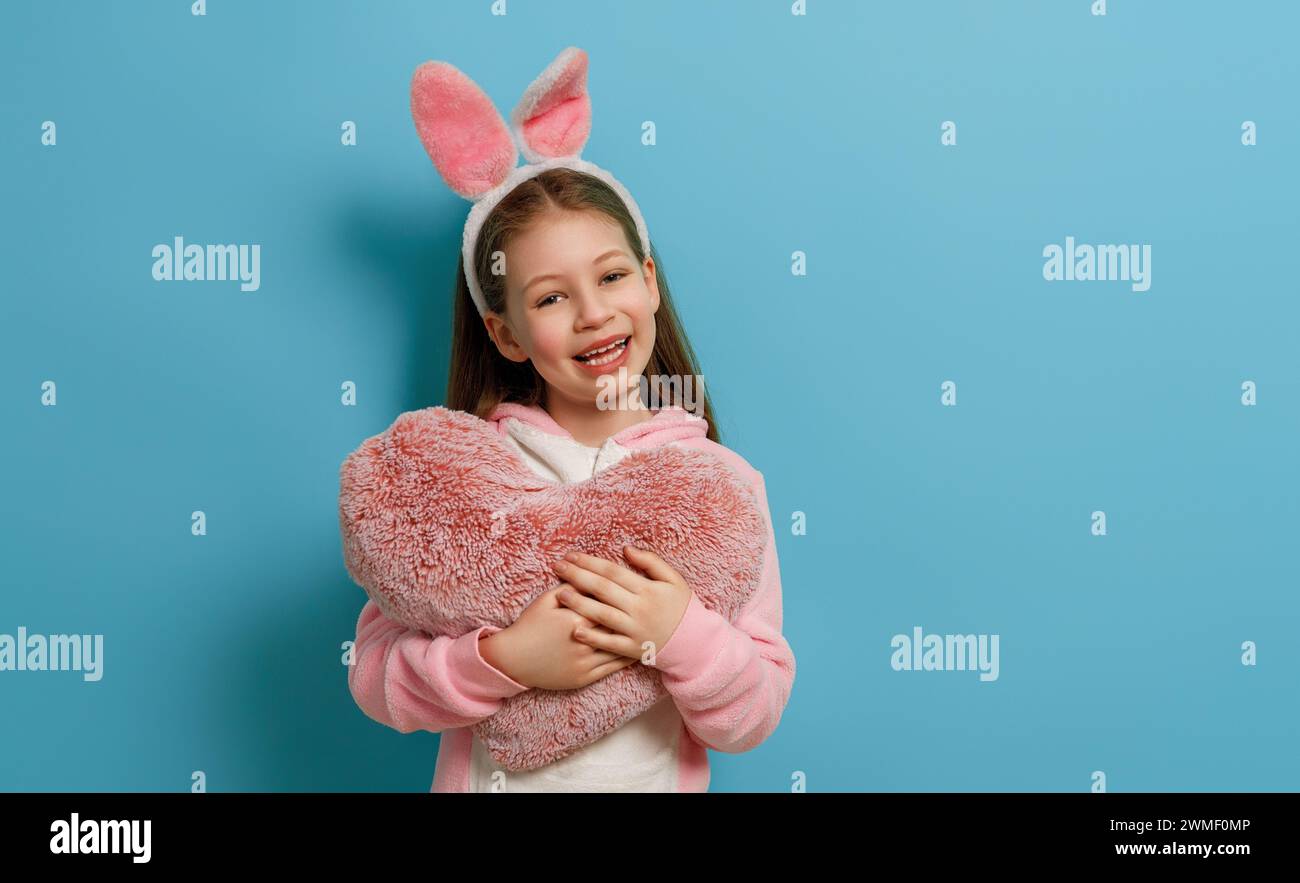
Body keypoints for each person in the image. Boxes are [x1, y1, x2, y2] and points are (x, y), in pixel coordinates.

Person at [345, 46, 794, 792]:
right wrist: (505, 659)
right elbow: (375, 676)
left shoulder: (720, 489)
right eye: (551, 297)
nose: (593, 314)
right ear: (507, 333)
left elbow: (752, 714)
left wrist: (676, 634)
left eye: (612, 277)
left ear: (648, 284)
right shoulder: (461, 479)